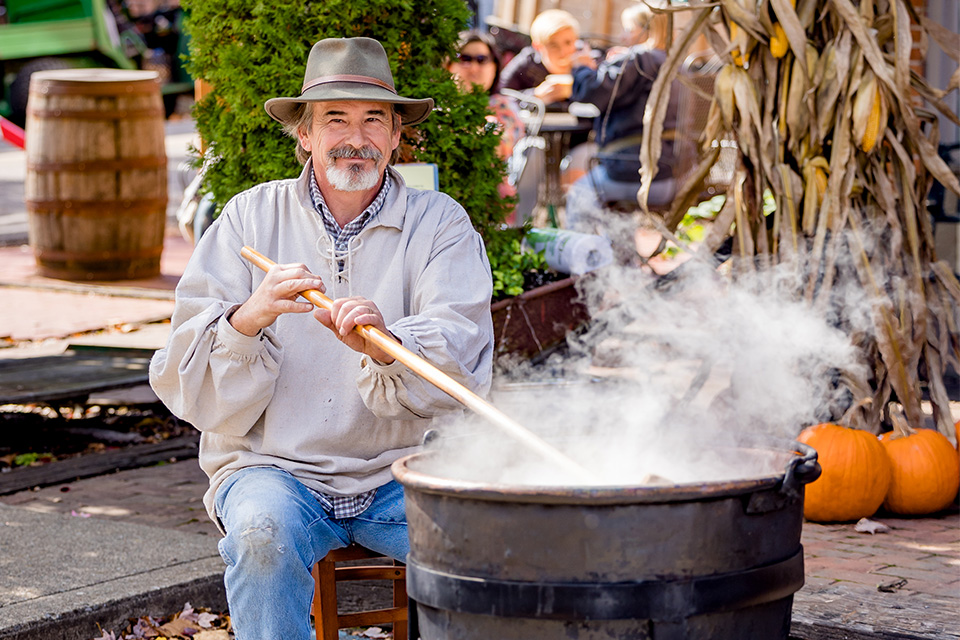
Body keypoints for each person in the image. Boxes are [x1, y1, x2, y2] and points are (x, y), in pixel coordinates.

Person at [149, 37, 495, 640]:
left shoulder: (440, 223)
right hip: (272, 469)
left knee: (486, 558)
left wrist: (387, 341)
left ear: (394, 137)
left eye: (372, 120)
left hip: (401, 472)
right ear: (305, 135)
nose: (354, 137)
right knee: (261, 537)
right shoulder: (247, 218)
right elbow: (183, 374)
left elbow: (459, 345)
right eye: (335, 119)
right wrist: (247, 318)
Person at [564, 1, 679, 232]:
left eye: (628, 29)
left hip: (633, 172)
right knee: (617, 208)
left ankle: (586, 261)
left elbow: (594, 92)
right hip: (670, 174)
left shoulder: (638, 59)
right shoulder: (674, 63)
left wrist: (580, 66)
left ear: (646, 30)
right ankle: (622, 262)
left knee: (579, 194)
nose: (623, 36)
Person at [448, 30, 524, 169]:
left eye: (481, 59)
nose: (473, 68)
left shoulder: (503, 107)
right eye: (464, 59)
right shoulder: (433, 106)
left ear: (495, 66)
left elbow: (496, 149)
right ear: (448, 66)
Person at [497, 9, 597, 108]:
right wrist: (535, 96)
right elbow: (498, 98)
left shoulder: (586, 61)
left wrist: (590, 77)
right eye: (553, 45)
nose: (563, 51)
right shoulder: (526, 64)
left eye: (568, 42)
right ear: (538, 47)